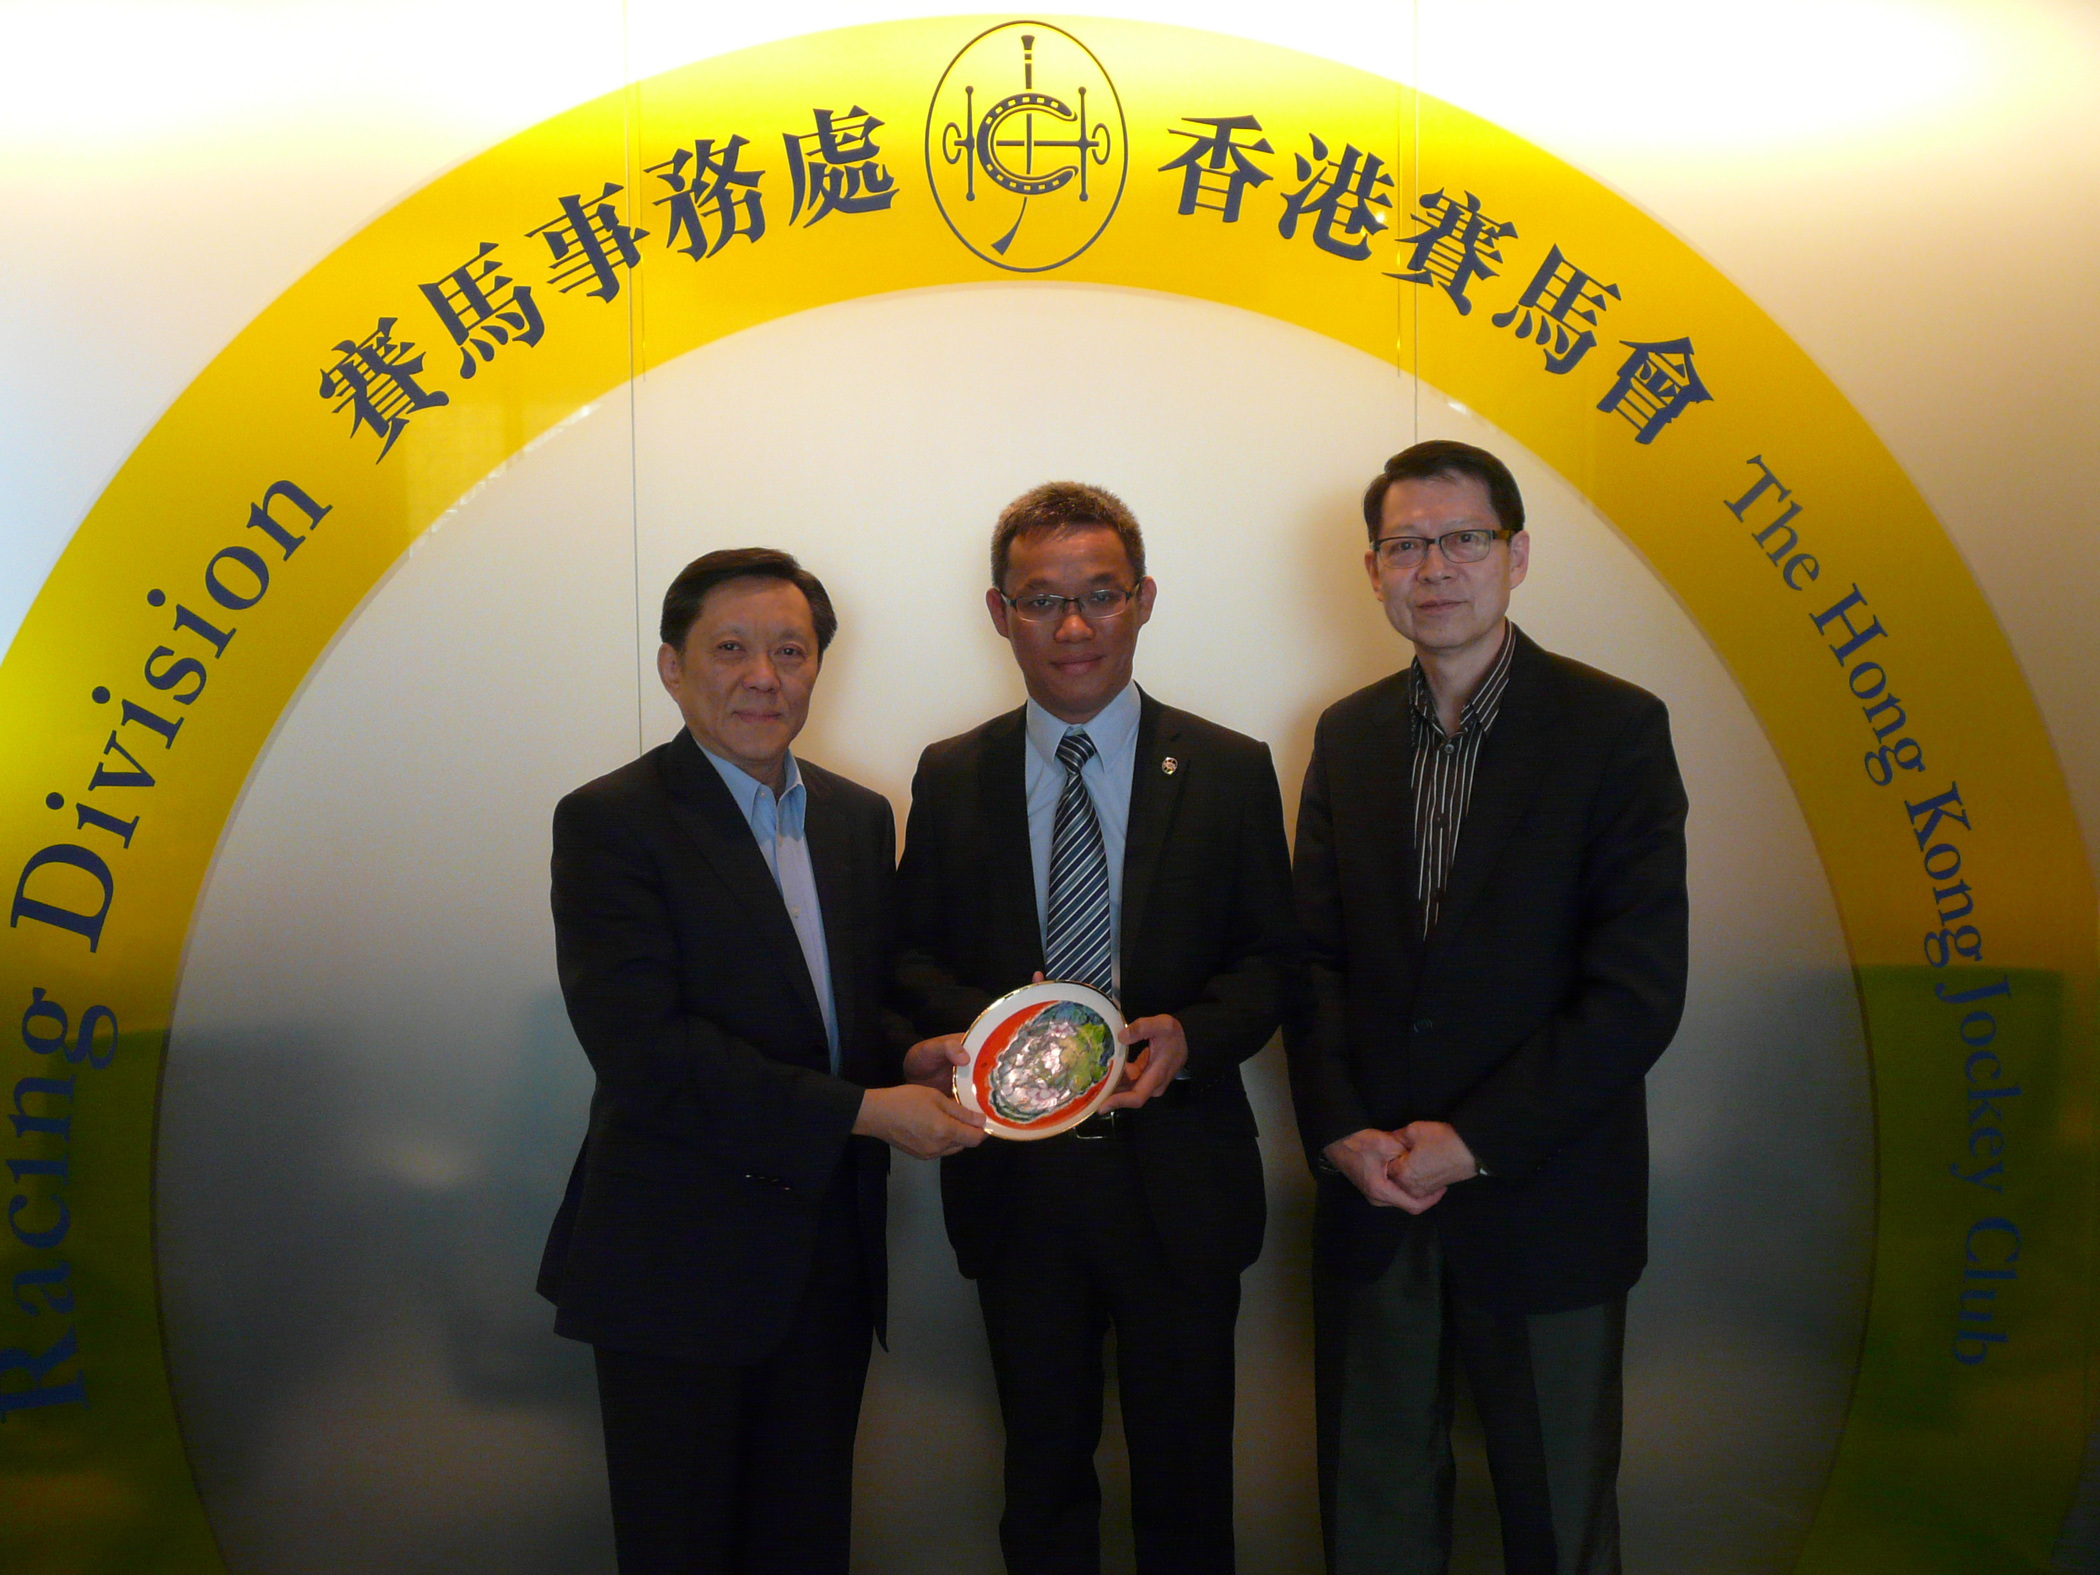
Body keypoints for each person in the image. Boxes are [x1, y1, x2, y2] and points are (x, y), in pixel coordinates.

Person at [537, 547, 985, 1575]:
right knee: (682, 1547)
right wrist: (866, 1112)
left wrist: (912, 1055)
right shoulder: (610, 822)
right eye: (730, 649)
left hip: (825, 1259)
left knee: (807, 1540)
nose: (762, 677)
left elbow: (846, 1010)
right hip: (674, 1265)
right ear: (672, 667)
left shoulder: (855, 817)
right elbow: (648, 1054)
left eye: (790, 651)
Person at [1286, 442, 1689, 1575]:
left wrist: (1475, 1139)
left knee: (1557, 1522)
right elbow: (1311, 961)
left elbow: (1637, 991)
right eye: (1406, 545)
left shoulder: (1614, 729)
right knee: (1374, 1519)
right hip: (1376, 1193)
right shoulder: (1348, 734)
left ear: (1515, 557)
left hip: (1547, 1196)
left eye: (1464, 539)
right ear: (1373, 570)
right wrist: (1342, 1130)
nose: (1436, 568)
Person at [895, 483, 1295, 1574]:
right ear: (999, 613)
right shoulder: (952, 773)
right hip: (1019, 1188)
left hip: (1179, 1180)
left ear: (1144, 599)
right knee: (1041, 1482)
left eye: (1100, 595)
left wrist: (1192, 1036)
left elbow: (1274, 961)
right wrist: (1000, 1028)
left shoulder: (1227, 768)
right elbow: (909, 959)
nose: (1072, 626)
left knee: (1186, 1488)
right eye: (1041, 600)